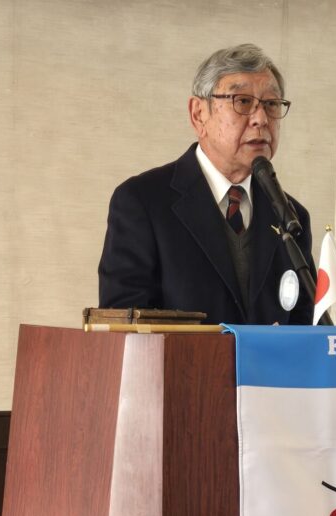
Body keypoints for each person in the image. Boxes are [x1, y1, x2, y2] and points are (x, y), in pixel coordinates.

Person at [98, 43, 315, 325]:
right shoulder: (142, 202)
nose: (261, 119)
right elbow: (123, 326)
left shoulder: (292, 217)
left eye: (272, 104)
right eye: (243, 102)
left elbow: (304, 328)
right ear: (199, 114)